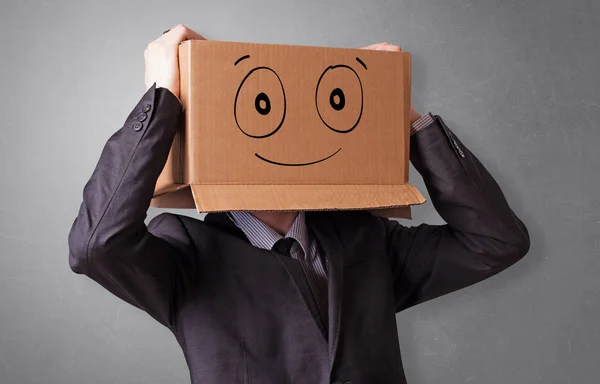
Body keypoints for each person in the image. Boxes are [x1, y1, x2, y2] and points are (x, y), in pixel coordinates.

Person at [68, 24, 530, 384]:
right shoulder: (185, 254)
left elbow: (495, 240)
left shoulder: (367, 241)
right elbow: (95, 247)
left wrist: (402, 117)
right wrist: (163, 98)